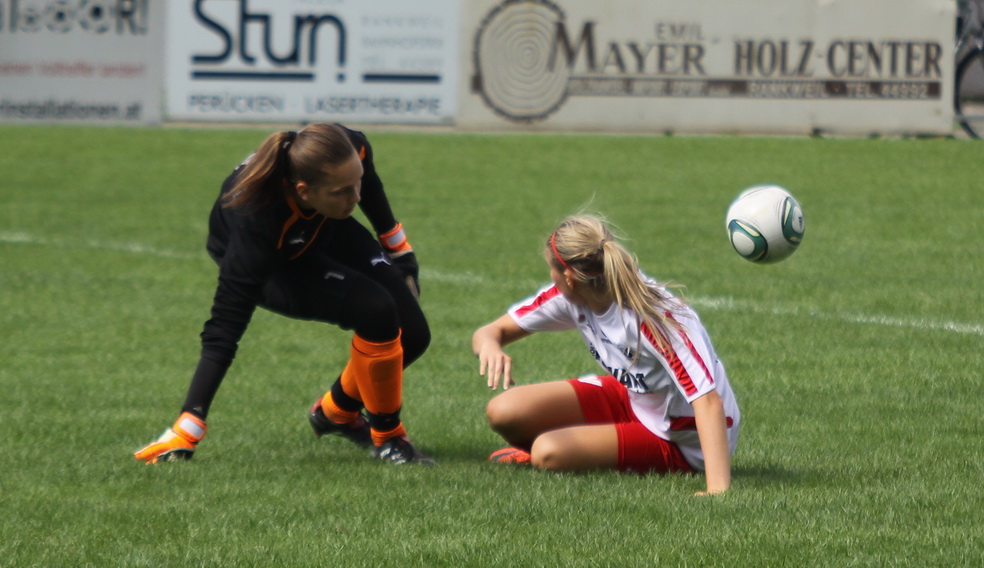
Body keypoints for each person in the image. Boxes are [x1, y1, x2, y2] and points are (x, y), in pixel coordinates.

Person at [135, 123, 433, 465]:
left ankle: (335, 413)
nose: (356, 197)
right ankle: (389, 438)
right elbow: (225, 326)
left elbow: (369, 185)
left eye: (357, 182)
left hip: (324, 222)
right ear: (303, 190)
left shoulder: (347, 146)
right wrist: (189, 424)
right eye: (342, 190)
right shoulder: (255, 220)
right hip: (276, 262)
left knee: (412, 334)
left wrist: (398, 249)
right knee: (375, 308)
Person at [472, 215, 739, 493]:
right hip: (635, 398)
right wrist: (491, 346)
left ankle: (568, 451)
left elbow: (708, 400)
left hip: (682, 438)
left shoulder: (653, 320)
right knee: (503, 411)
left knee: (547, 452)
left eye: (551, 269)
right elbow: (489, 332)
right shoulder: (570, 298)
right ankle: (589, 445)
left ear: (569, 277)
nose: (550, 277)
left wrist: (717, 489)